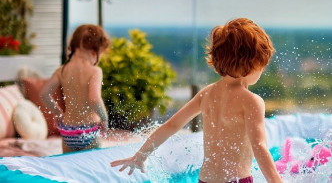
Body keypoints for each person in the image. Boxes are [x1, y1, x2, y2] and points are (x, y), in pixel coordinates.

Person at [110, 18, 283, 183]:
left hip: (205, 180)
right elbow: (259, 147)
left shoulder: (207, 94)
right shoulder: (252, 101)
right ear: (253, 63)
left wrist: (140, 155)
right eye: (262, 65)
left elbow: (171, 125)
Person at [41, 24, 110, 153]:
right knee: (92, 166)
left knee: (69, 167)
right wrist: (105, 119)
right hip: (89, 129)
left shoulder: (62, 70)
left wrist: (58, 113)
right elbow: (95, 100)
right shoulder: (94, 71)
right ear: (95, 51)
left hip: (68, 131)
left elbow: (44, 94)